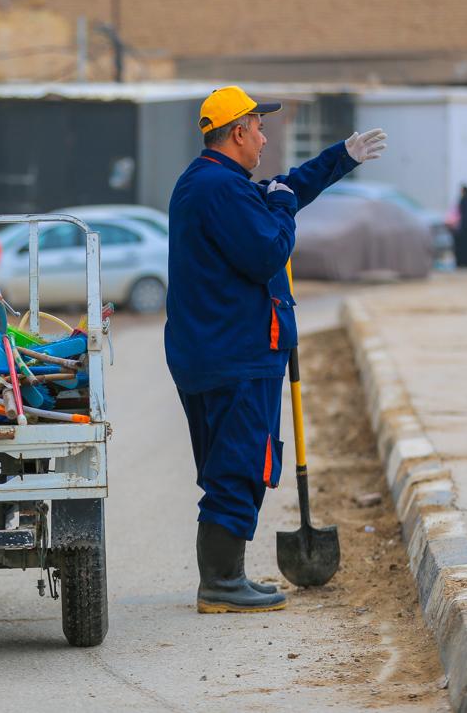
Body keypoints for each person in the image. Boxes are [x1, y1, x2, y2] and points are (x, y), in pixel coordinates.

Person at [166, 86, 387, 613]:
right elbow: (267, 249)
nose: (265, 138)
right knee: (239, 464)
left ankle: (224, 576)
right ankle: (220, 583)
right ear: (238, 132)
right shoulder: (222, 191)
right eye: (260, 129)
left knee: (230, 461)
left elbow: (282, 189)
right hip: (235, 355)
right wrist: (285, 210)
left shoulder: (212, 184)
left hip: (216, 351)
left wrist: (339, 159)